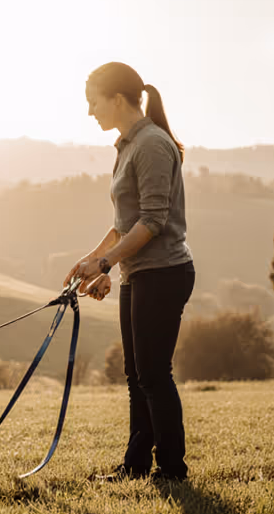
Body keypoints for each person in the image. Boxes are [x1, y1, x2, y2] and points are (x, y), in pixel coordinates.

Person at [65, 61, 195, 482]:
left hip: (164, 273)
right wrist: (94, 261)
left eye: (93, 102)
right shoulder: (128, 145)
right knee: (137, 375)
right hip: (141, 273)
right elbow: (125, 220)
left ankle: (172, 470)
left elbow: (153, 221)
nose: (90, 113)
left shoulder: (152, 145)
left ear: (117, 98)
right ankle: (136, 467)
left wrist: (107, 262)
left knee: (154, 374)